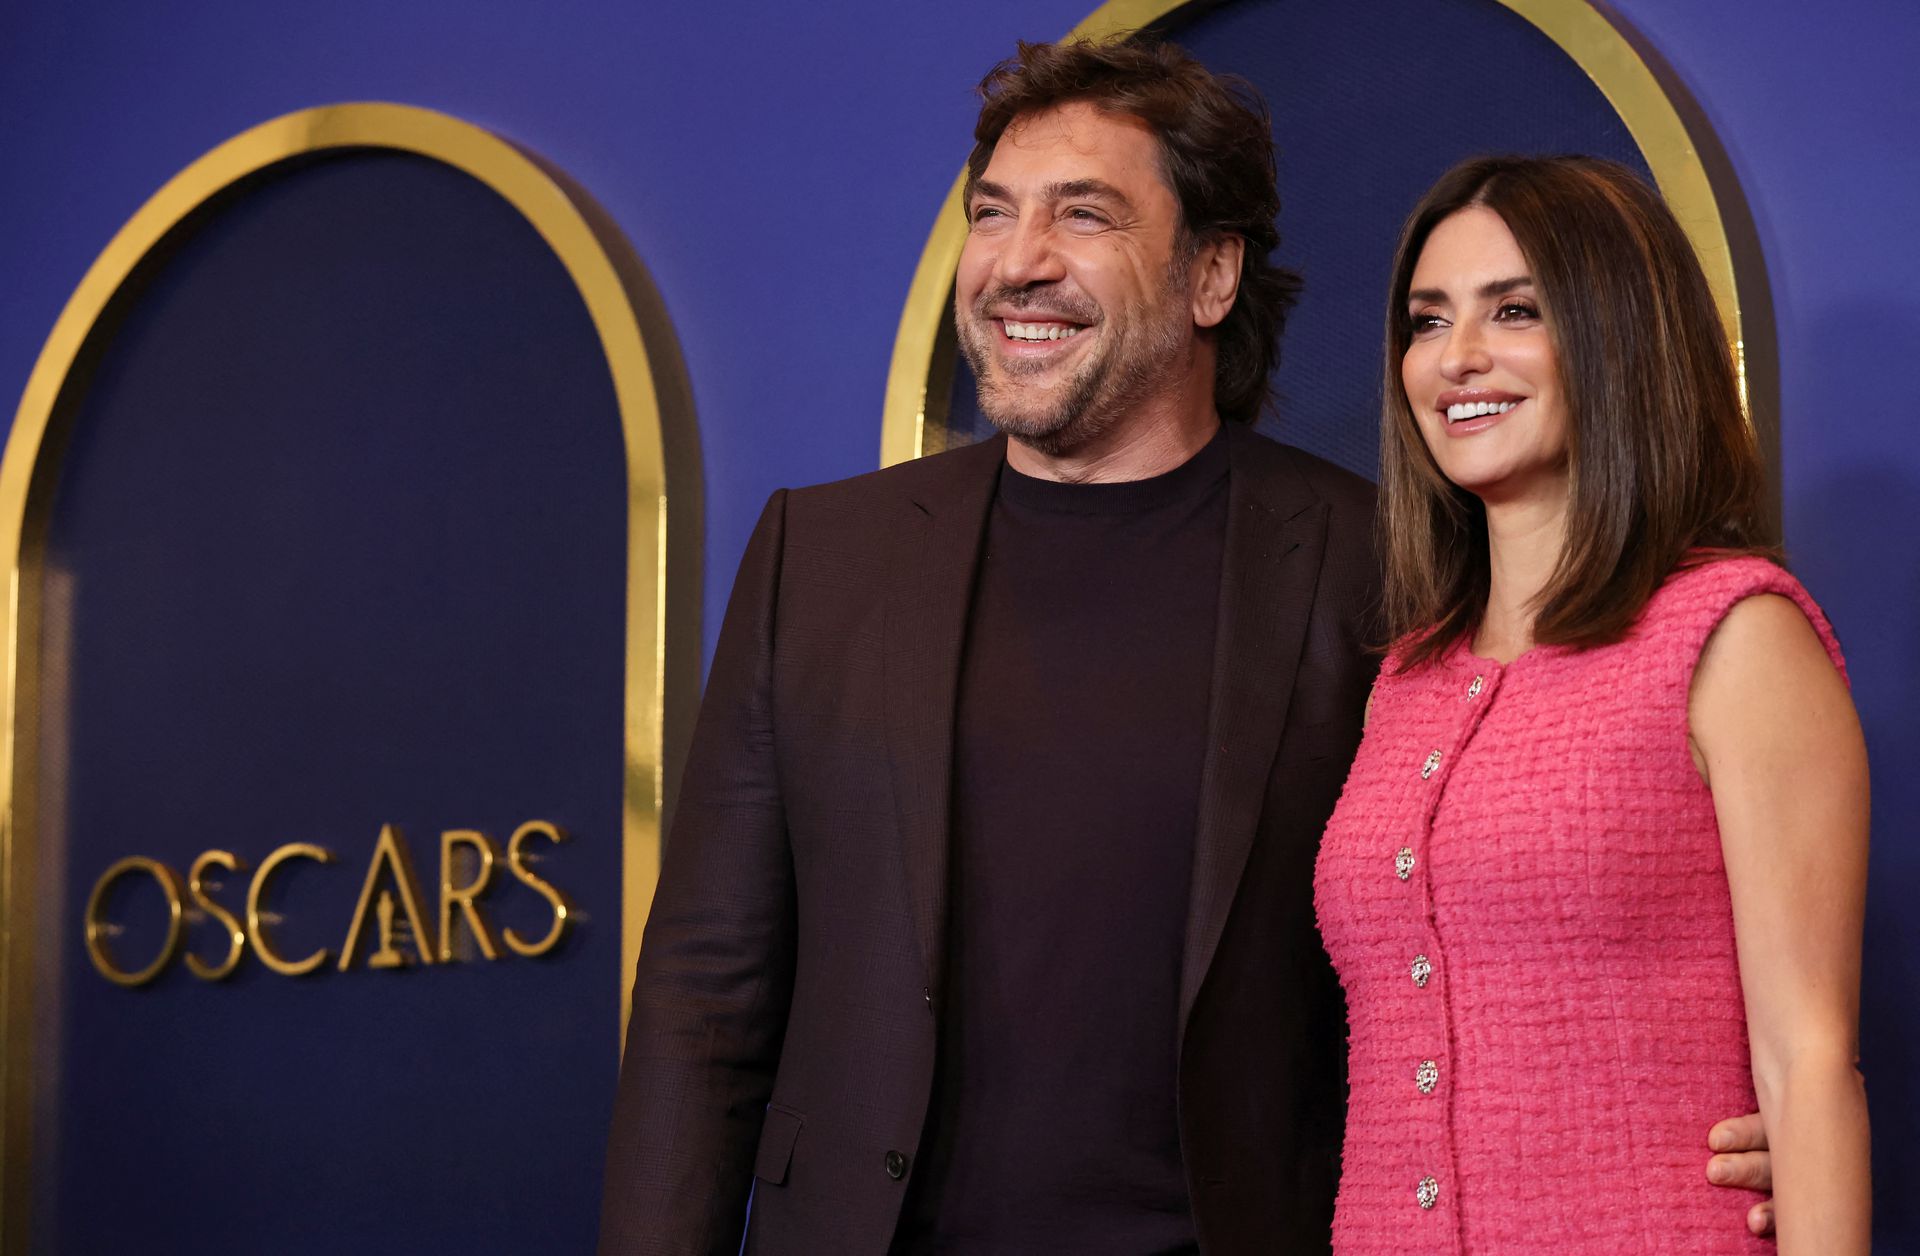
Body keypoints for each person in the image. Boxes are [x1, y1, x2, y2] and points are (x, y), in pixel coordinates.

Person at [598, 40, 1775, 1254]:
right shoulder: (824, 556)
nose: (1017, 263)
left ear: (1211, 275)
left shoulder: (1378, 565)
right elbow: (705, 989)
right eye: (993, 214)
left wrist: (1742, 1114)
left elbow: (1501, 922)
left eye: (1084, 215)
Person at [1315, 154, 1870, 1253]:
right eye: (1428, 321)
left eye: (1514, 309)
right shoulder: (1408, 675)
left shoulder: (1734, 632)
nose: (1456, 357)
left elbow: (1805, 1063)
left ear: (1621, 339)